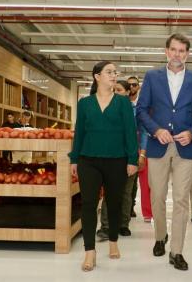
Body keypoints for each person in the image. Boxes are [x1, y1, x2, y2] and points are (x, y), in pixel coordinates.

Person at [137, 33, 192, 271]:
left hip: (185, 147)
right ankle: (160, 236)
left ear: (187, 54)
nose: (178, 54)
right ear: (166, 51)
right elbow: (142, 110)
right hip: (158, 145)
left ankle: (177, 251)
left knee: (180, 200)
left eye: (182, 51)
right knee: (157, 196)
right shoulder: (152, 77)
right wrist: (156, 130)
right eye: (174, 50)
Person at [69, 61, 138, 272]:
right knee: (89, 204)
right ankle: (90, 252)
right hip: (88, 160)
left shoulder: (123, 103)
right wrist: (74, 158)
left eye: (115, 72)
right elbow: (79, 132)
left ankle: (113, 241)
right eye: (109, 72)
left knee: (114, 203)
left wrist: (132, 160)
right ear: (97, 76)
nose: (114, 75)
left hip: (116, 160)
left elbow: (130, 132)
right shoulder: (85, 103)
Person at [96, 80, 140, 239]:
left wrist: (138, 156)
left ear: (128, 92)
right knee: (109, 192)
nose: (115, 92)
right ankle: (106, 226)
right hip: (110, 155)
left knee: (126, 193)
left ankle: (123, 224)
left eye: (119, 90)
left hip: (129, 155)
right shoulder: (106, 107)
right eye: (114, 89)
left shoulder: (137, 110)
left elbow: (140, 134)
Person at [128, 76, 152, 222]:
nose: (131, 87)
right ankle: (128, 210)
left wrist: (143, 152)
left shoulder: (143, 105)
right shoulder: (120, 103)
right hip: (125, 148)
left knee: (145, 183)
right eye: (129, 85)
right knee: (127, 184)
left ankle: (147, 212)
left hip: (142, 148)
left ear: (138, 87)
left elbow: (144, 130)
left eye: (134, 84)